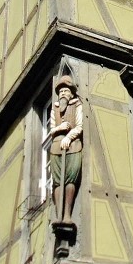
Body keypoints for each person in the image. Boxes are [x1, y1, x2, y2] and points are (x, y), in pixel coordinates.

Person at [46, 76, 82, 224]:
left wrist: (69, 137)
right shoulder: (54, 109)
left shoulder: (77, 105)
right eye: (60, 91)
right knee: (57, 181)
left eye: (66, 90)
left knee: (70, 179)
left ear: (71, 93)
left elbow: (79, 126)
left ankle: (67, 215)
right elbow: (51, 130)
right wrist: (60, 128)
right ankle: (58, 214)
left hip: (73, 146)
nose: (62, 93)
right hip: (56, 147)